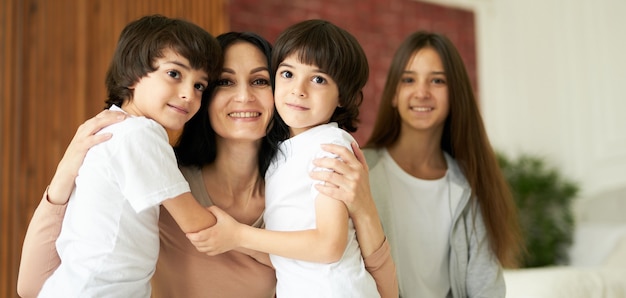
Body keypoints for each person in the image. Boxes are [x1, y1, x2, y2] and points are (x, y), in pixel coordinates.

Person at [18, 30, 397, 298]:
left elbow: (382, 292)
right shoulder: (163, 183)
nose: (244, 97)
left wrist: (364, 208)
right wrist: (67, 171)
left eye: (260, 80)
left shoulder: (304, 187)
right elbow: (32, 285)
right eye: (225, 83)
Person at [32, 14, 223, 297]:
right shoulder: (140, 134)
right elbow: (195, 223)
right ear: (133, 73)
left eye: (199, 86)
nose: (188, 94)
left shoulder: (115, 126)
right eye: (174, 74)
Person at [194, 19, 383, 298]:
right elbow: (286, 257)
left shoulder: (330, 146)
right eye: (287, 74)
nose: (299, 89)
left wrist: (238, 235)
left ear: (343, 95)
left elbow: (329, 246)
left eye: (318, 79)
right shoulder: (287, 152)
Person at [361, 30, 523, 297]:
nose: (422, 92)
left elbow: (486, 287)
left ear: (455, 93)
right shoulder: (362, 170)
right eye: (409, 80)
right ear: (393, 93)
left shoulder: (469, 185)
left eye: (437, 81)